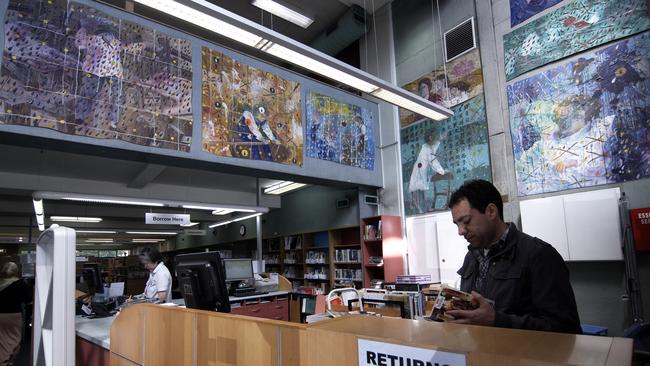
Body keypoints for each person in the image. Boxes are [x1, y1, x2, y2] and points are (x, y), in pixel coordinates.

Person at [445, 179, 582, 334]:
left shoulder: (539, 255)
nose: (461, 231)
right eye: (457, 224)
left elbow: (566, 328)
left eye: (466, 221)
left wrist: (497, 320)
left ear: (491, 211)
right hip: (482, 353)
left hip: (526, 356)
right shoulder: (471, 257)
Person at [0, 262, 33, 365]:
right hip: (13, 316)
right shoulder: (20, 284)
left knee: (2, 340)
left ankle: (4, 360)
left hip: (0, 315)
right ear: (16, 271)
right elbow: (28, 300)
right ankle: (7, 360)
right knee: (15, 339)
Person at [408, 130, 446, 213]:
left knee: (420, 190)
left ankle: (422, 207)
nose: (437, 140)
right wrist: (442, 171)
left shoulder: (426, 147)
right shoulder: (427, 149)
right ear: (431, 138)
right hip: (420, 171)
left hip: (421, 170)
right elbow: (433, 162)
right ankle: (419, 206)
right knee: (418, 189)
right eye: (436, 138)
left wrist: (440, 139)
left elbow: (434, 148)